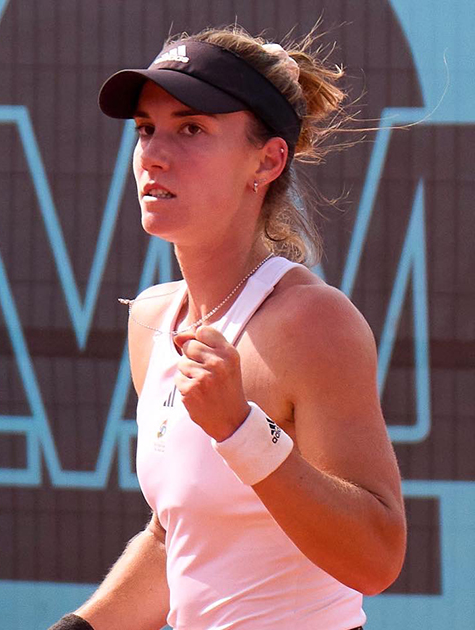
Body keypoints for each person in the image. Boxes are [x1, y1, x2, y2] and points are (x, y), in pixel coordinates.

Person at [47, 25, 406, 630]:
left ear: (266, 161)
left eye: (192, 129)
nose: (154, 153)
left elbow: (376, 557)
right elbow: (176, 539)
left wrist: (240, 430)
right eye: (146, 129)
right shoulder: (153, 320)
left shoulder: (313, 323)